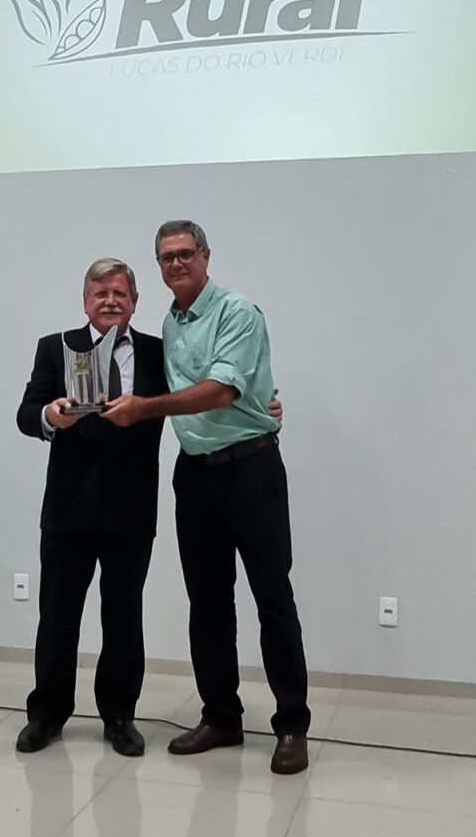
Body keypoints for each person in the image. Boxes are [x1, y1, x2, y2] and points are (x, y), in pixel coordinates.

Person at [103, 221, 311, 775]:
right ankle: (221, 716)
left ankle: (292, 725)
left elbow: (220, 391)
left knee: (272, 597)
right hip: (195, 475)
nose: (176, 264)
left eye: (185, 254)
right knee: (208, 601)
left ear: (205, 256)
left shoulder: (237, 312)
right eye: (166, 257)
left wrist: (145, 409)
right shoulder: (170, 324)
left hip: (250, 470)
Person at [15, 257, 166, 757]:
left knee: (124, 617)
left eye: (120, 293)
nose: (110, 301)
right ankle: (47, 714)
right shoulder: (56, 347)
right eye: (100, 293)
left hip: (131, 508)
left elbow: (193, 397)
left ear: (135, 302)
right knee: (58, 616)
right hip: (69, 508)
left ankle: (119, 715)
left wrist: (259, 407)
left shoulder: (158, 352)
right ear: (85, 301)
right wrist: (49, 415)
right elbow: (26, 413)